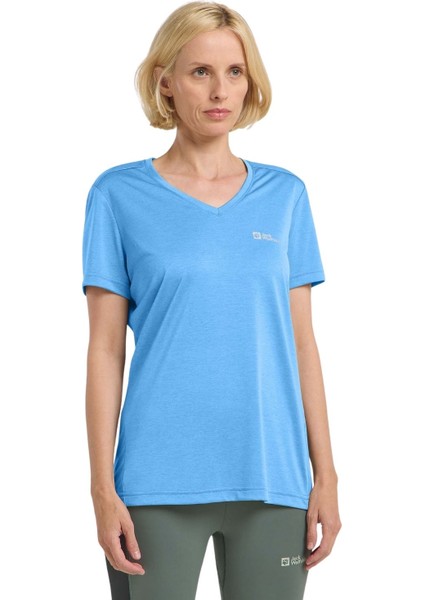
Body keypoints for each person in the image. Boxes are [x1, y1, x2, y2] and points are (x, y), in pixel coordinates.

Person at [81, 2, 341, 599]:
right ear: (165, 81)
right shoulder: (117, 195)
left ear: (250, 81)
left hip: (274, 477)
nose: (220, 90)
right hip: (155, 482)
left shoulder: (286, 196)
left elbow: (302, 344)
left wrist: (325, 475)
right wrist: (101, 489)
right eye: (200, 71)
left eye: (234, 71)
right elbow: (104, 350)